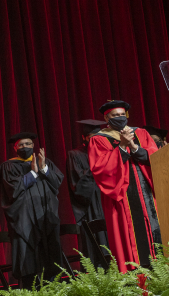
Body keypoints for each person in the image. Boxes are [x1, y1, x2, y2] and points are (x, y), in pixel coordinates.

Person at [88, 100, 160, 271]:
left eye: (122, 114)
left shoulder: (140, 133)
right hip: (122, 197)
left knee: (154, 229)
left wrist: (133, 146)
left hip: (147, 193)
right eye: (115, 115)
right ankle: (135, 275)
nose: (120, 118)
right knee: (130, 236)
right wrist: (121, 145)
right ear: (107, 117)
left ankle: (161, 270)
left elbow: (155, 157)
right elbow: (101, 169)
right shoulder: (98, 139)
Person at [0, 132, 63, 288]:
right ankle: (30, 288)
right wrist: (33, 173)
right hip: (25, 219)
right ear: (15, 148)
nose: (25, 147)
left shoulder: (44, 162)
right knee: (28, 257)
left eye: (28, 144)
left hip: (46, 217)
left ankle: (52, 286)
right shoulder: (9, 166)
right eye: (21, 145)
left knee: (50, 253)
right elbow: (13, 191)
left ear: (33, 145)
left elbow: (57, 183)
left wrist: (43, 168)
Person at [66, 120, 109, 268]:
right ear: (84, 137)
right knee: (96, 245)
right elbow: (78, 185)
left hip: (109, 200)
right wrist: (97, 166)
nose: (96, 140)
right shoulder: (75, 155)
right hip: (92, 206)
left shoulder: (108, 152)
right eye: (92, 137)